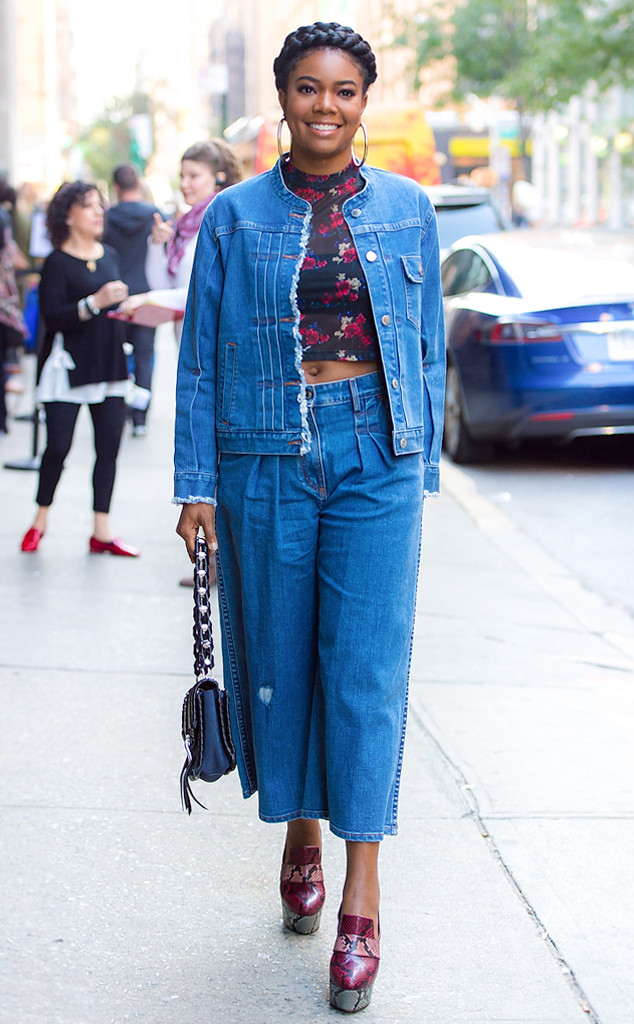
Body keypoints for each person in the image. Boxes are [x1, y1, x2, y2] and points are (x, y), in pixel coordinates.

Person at [173, 22, 445, 1014]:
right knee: (282, 659)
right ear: (283, 98)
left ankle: (361, 901)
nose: (324, 106)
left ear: (363, 101)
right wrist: (194, 484)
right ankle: (299, 830)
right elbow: (199, 355)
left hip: (376, 450)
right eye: (306, 88)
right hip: (263, 451)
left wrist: (421, 465)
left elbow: (427, 345)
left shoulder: (409, 209)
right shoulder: (234, 217)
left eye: (343, 91)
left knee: (365, 669)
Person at [20, 181, 139, 557]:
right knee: (57, 447)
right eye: (88, 206)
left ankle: (101, 531)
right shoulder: (56, 262)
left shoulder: (111, 255)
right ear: (68, 216)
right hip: (69, 365)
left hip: (110, 362)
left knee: (109, 448)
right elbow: (53, 317)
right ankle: (39, 521)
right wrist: (94, 303)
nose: (97, 212)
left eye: (99, 206)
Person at [121, 139, 243, 345]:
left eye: (193, 176)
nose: (184, 184)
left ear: (219, 178)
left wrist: (148, 300)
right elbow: (162, 285)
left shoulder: (227, 223)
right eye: (182, 176)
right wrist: (156, 244)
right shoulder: (185, 226)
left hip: (217, 344)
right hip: (187, 344)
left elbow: (208, 292)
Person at [103, 165, 163, 436]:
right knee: (144, 357)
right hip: (147, 296)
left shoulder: (106, 218)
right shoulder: (156, 216)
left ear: (116, 187)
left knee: (116, 356)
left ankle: (118, 411)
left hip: (116, 294)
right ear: (138, 183)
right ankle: (140, 417)